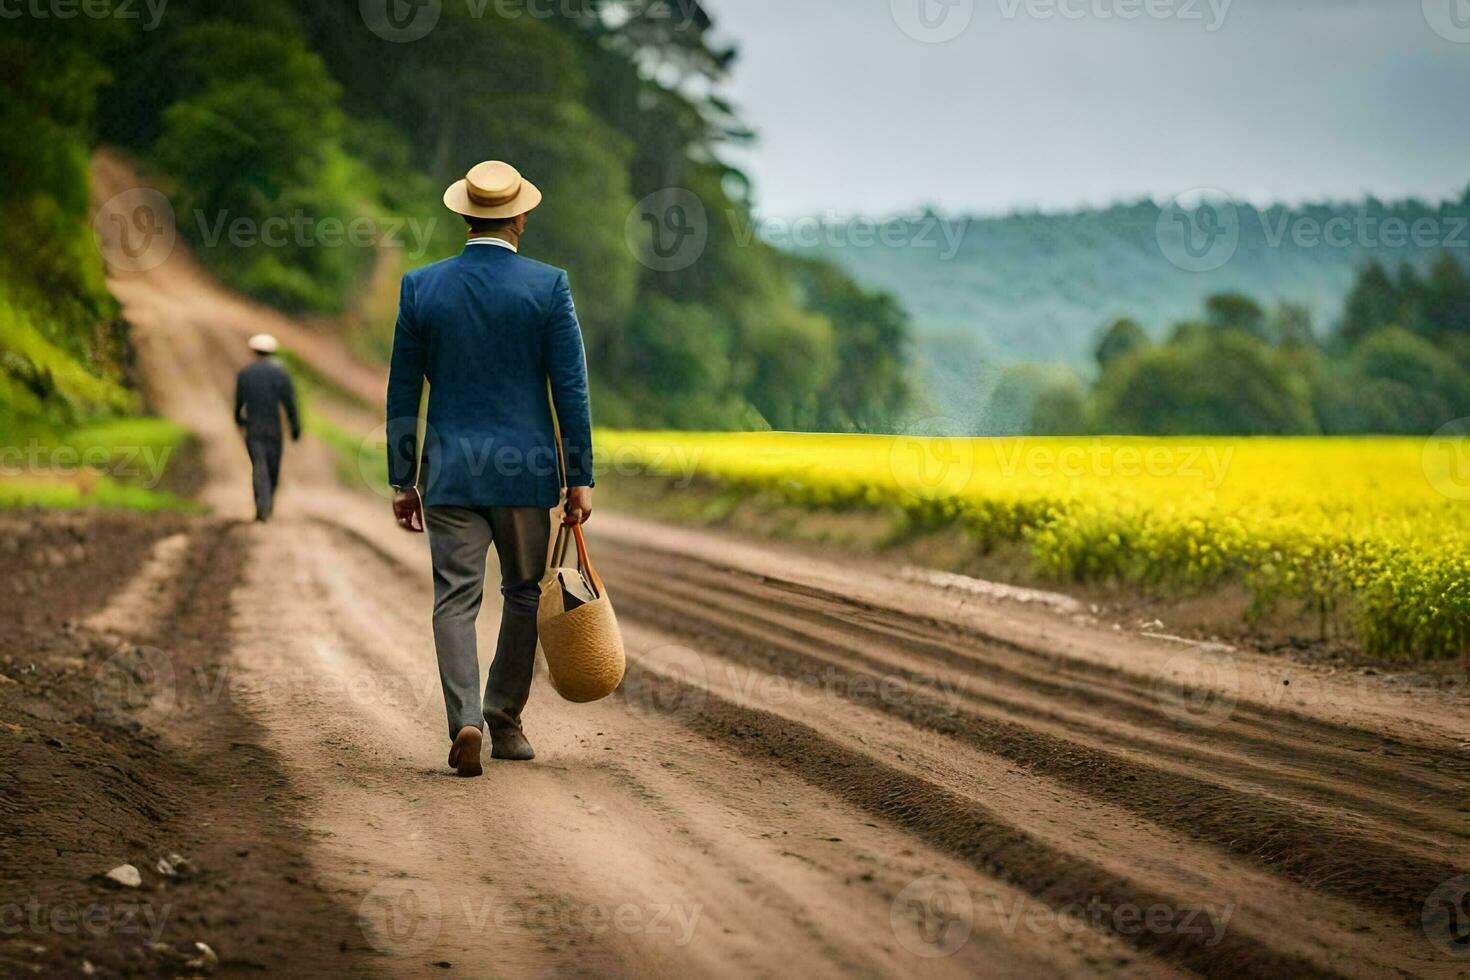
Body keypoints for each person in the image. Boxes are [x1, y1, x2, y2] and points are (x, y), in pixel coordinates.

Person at [386, 160, 595, 779]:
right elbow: (571, 389)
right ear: (520, 218)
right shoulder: (548, 286)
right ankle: (504, 718)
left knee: (455, 599)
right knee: (525, 593)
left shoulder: (421, 287)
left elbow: (403, 394)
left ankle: (464, 720)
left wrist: (404, 479)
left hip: (450, 472)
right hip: (524, 473)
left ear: (465, 214)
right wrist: (578, 474)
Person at [234, 334, 301, 523]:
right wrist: (295, 427)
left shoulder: (245, 374)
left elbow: (239, 404)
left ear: (254, 351)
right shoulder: (281, 374)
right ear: (272, 351)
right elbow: (290, 403)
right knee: (272, 467)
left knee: (259, 465)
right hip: (274, 429)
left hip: (253, 428)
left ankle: (261, 504)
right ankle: (267, 502)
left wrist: (238, 420)